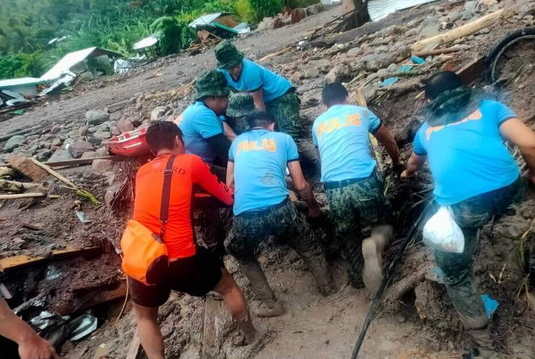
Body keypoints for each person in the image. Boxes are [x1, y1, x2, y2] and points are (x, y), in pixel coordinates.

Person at [400, 71, 535, 359]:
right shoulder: (490, 108)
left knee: (455, 273)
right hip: (508, 189)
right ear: (466, 90)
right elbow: (530, 144)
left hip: (463, 206)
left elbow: (414, 163)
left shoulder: (426, 129)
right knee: (510, 201)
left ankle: (485, 349)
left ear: (429, 102)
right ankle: (513, 230)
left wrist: (406, 172)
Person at [128, 121, 255, 359]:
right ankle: (250, 335)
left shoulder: (141, 173)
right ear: (178, 141)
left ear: (153, 149)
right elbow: (226, 198)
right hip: (182, 259)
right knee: (227, 286)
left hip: (143, 260)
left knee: (145, 317)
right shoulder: (191, 162)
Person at [225, 111, 335, 317]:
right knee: (308, 245)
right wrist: (312, 206)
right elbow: (301, 184)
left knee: (240, 252)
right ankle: (328, 288)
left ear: (249, 127)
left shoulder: (237, 143)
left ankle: (270, 303)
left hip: (245, 215)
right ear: (272, 125)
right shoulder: (284, 139)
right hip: (280, 209)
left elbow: (230, 184)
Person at [312, 83, 402, 291]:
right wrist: (397, 163)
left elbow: (321, 158)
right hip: (364, 180)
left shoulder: (318, 123)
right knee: (384, 222)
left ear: (324, 106)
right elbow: (388, 141)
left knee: (347, 233)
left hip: (333, 187)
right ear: (347, 97)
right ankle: (377, 241)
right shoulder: (361, 112)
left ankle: (358, 278)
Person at [214, 40, 319, 175]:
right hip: (264, 99)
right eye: (230, 67)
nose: (234, 70)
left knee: (289, 138)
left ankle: (317, 165)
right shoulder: (221, 73)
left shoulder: (250, 71)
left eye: (236, 65)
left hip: (281, 96)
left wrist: (262, 131)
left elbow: (259, 105)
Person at [176, 70, 236, 173]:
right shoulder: (202, 114)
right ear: (213, 97)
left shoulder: (201, 108)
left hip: (192, 164)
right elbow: (224, 150)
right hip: (193, 169)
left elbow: (227, 132)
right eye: (226, 97)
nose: (228, 101)